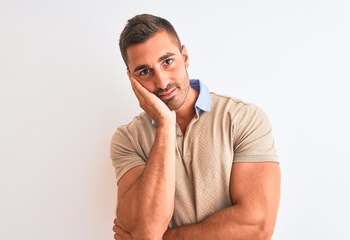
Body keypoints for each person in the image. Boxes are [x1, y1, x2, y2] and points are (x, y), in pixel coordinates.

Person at [111, 13, 281, 240]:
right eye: (144, 71)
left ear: (185, 56)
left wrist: (165, 237)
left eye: (167, 61)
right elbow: (145, 229)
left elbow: (256, 227)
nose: (162, 82)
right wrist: (164, 125)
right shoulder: (128, 139)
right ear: (131, 78)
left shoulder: (243, 118)